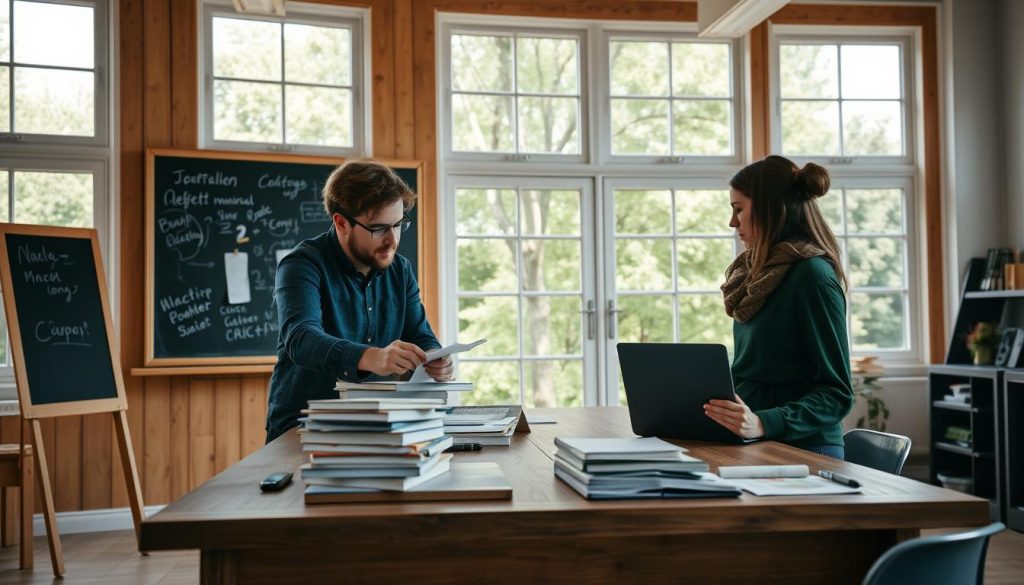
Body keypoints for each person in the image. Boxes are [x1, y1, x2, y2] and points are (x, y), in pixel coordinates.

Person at [265, 160, 452, 442]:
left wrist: (435, 357)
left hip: (378, 425)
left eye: (399, 224)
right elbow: (301, 339)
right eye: (378, 228)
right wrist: (371, 357)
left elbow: (419, 333)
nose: (392, 240)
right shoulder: (301, 265)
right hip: (303, 427)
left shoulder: (400, 270)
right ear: (341, 223)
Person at [703, 155, 854, 459]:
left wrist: (762, 422)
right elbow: (757, 373)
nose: (733, 222)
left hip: (807, 447)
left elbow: (836, 394)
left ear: (769, 209)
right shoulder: (752, 276)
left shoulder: (813, 276)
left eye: (739, 209)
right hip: (757, 441)